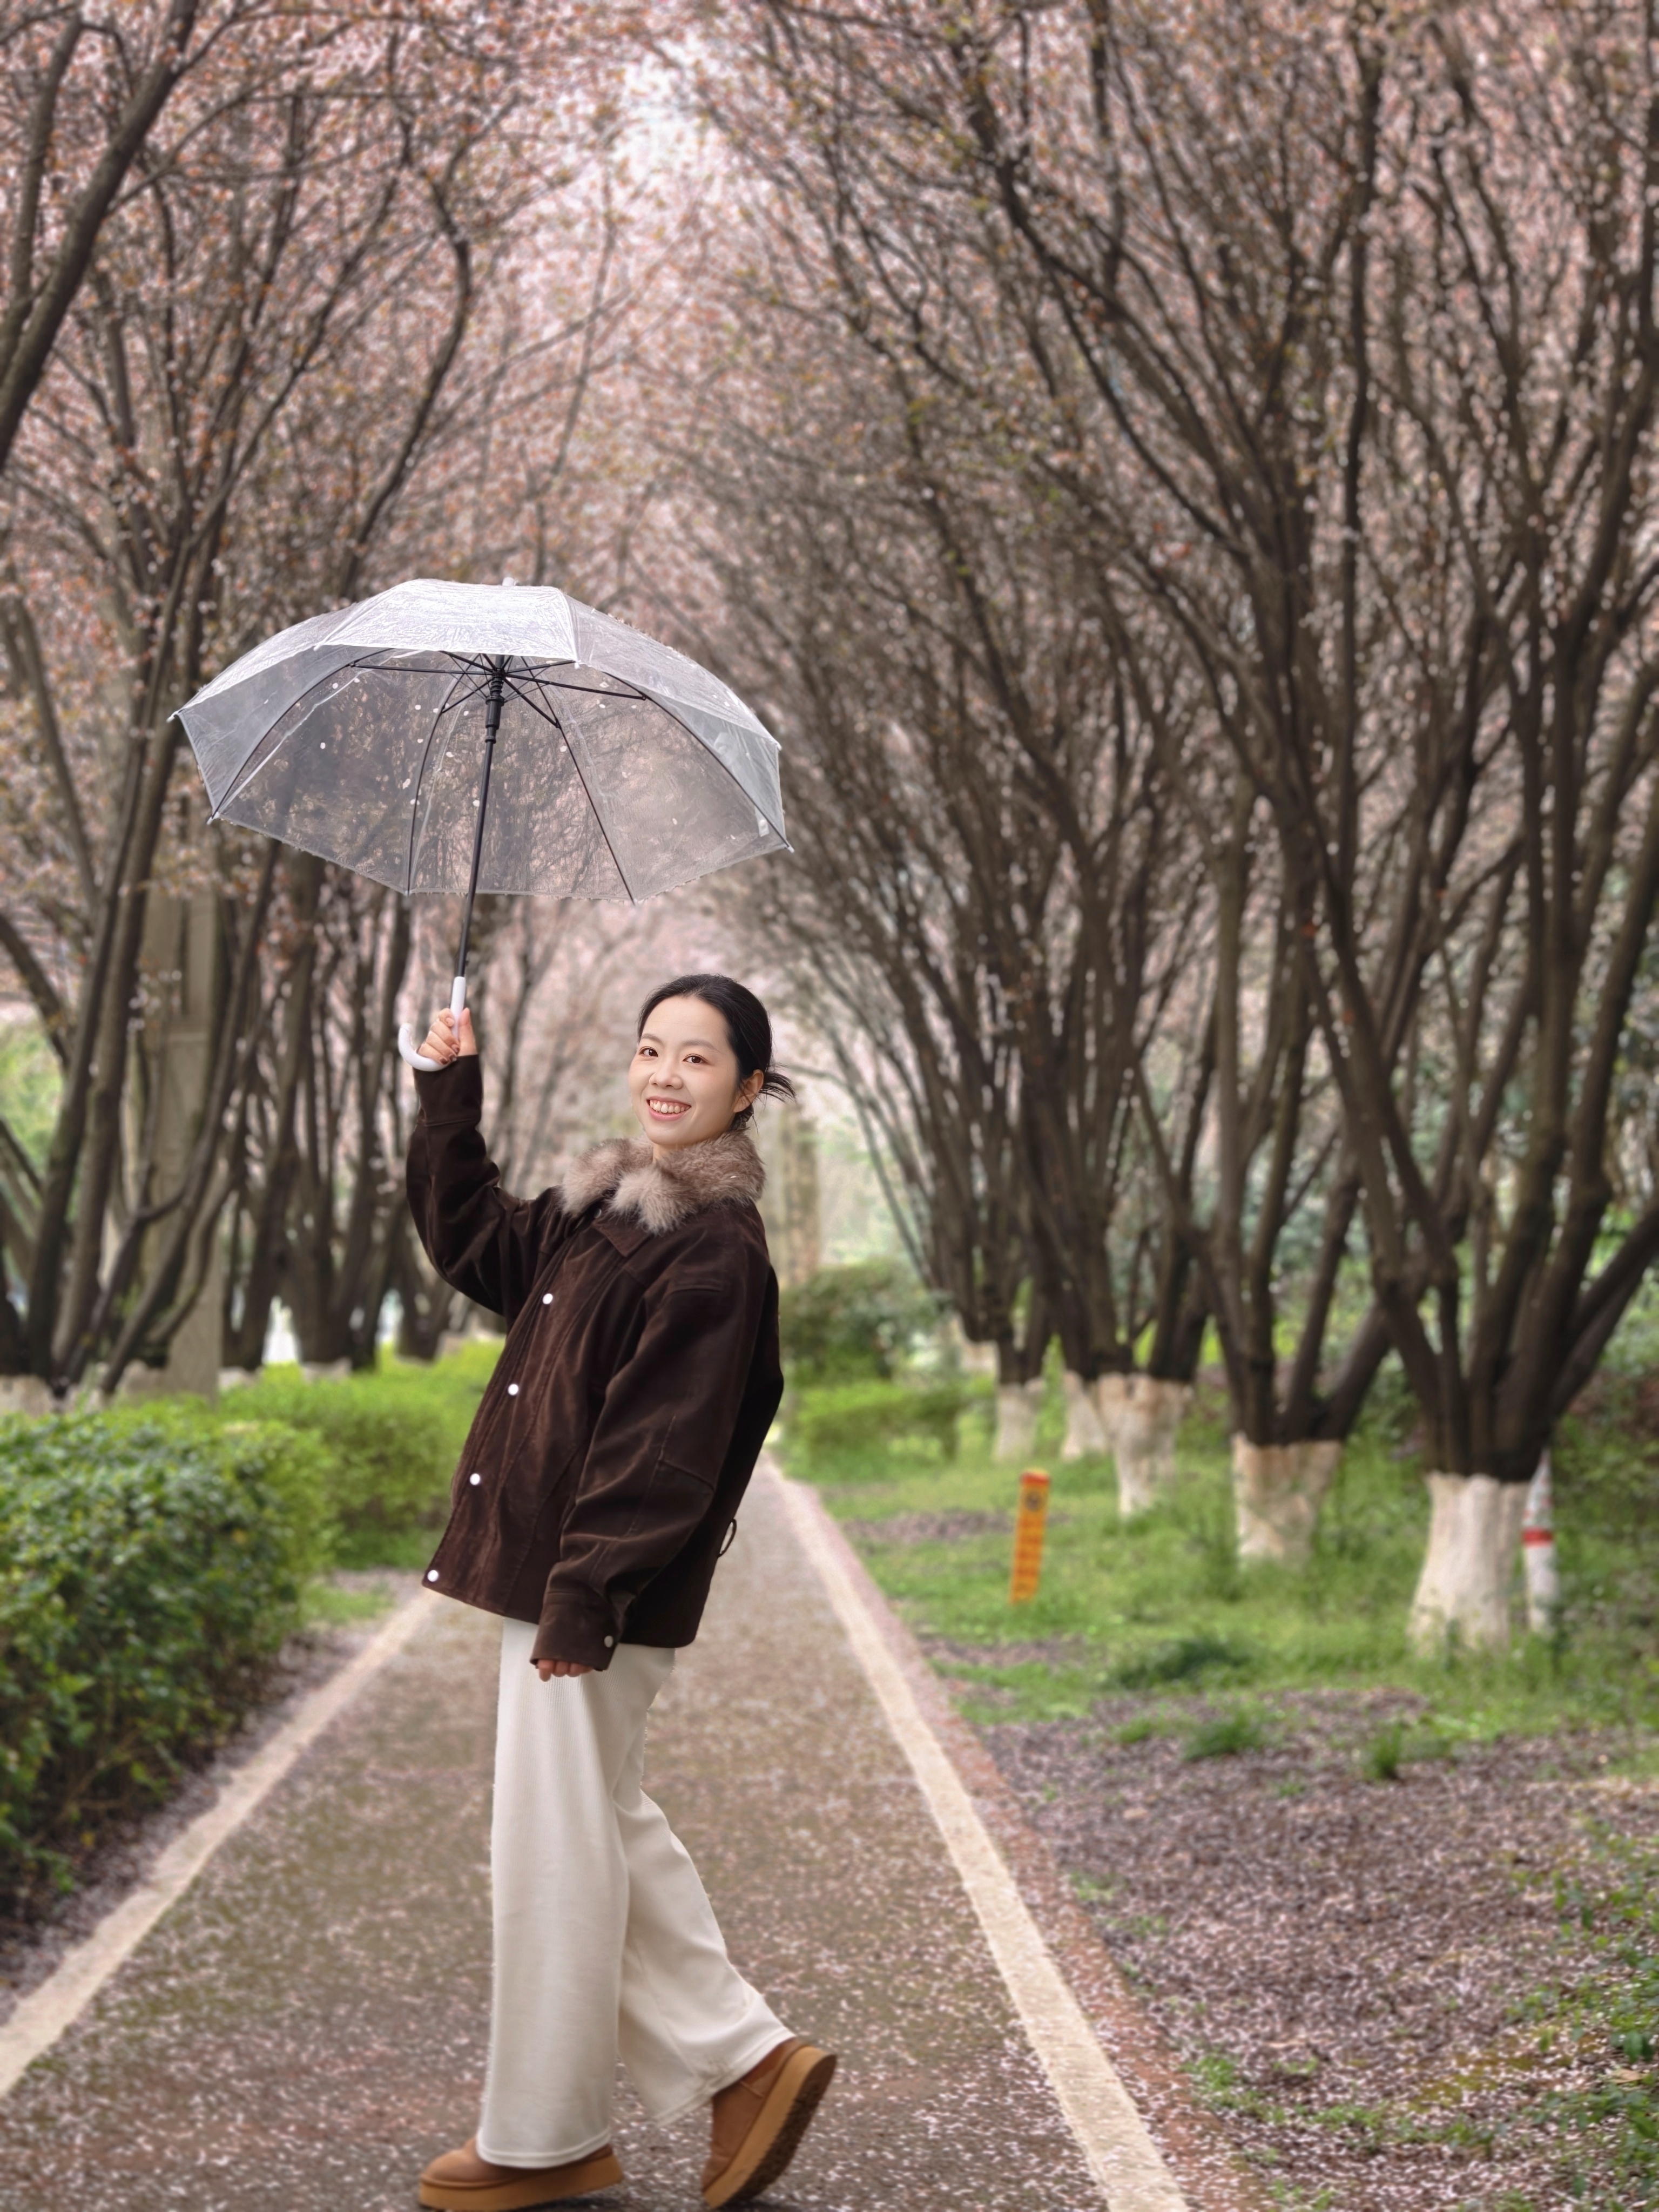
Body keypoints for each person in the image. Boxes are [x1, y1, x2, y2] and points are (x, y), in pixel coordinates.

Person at [404, 974, 835, 2211]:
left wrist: (584, 1597)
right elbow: (474, 1239)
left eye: (697, 1058)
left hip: (588, 1593)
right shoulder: (610, 1208)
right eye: (652, 1049)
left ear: (748, 1089)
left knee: (553, 1848)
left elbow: (664, 1450)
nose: (665, 1074)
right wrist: (448, 1087)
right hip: (561, 1582)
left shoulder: (714, 1249)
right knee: (595, 1825)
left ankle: (546, 2136)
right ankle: (746, 2059)